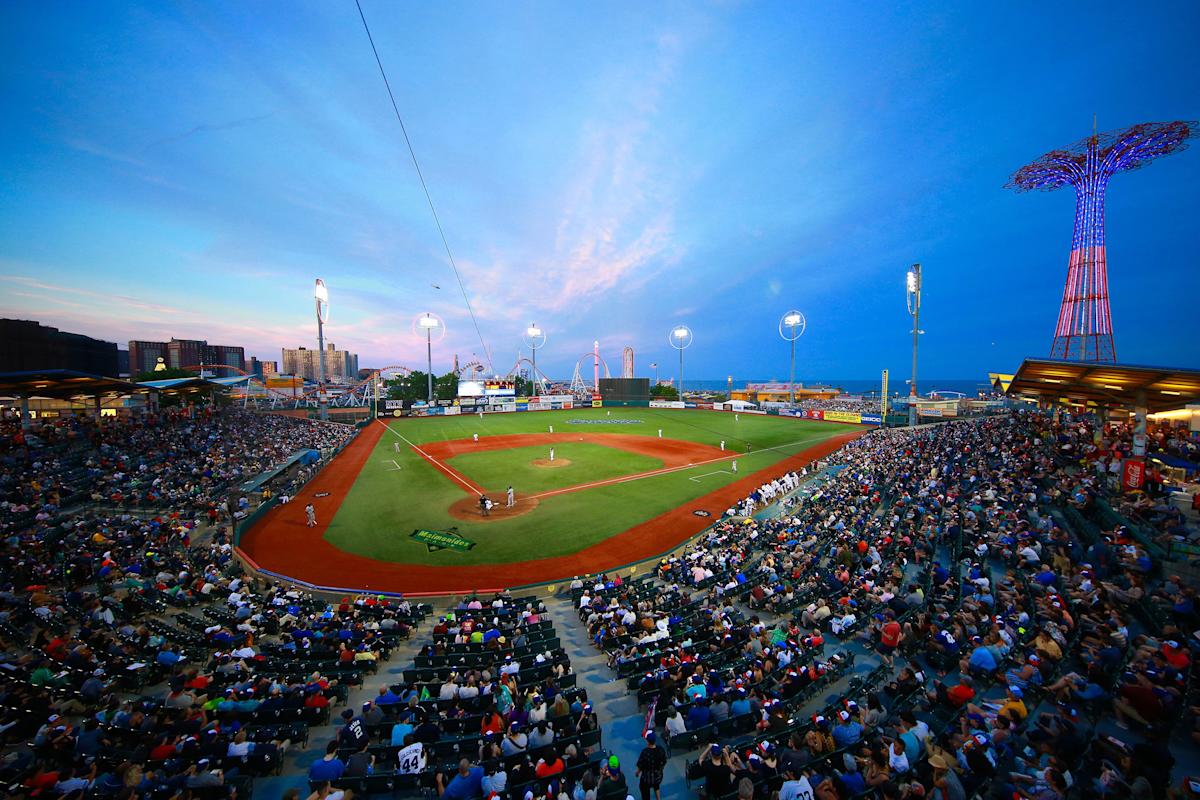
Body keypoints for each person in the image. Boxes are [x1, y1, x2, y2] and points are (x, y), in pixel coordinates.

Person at [636, 732, 667, 800]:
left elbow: (640, 765)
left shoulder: (645, 752)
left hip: (647, 779)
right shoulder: (661, 750)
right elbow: (664, 761)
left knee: (643, 787)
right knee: (656, 784)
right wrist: (660, 769)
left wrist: (637, 773)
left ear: (647, 741)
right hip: (658, 777)